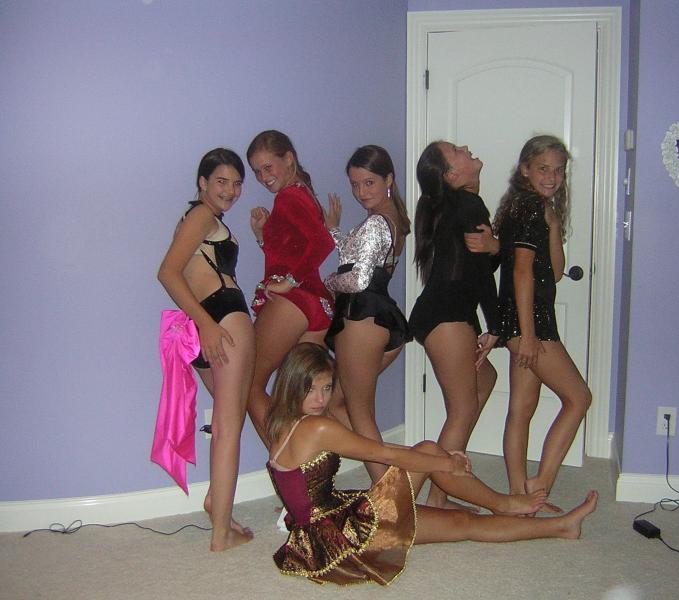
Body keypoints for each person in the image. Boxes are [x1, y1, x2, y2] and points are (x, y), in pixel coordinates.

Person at [265, 343, 598, 586]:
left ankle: (524, 512)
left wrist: (438, 460)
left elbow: (376, 449)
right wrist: (446, 465)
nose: (320, 399)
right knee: (461, 518)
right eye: (311, 389)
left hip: (328, 522)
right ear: (293, 385)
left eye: (326, 388)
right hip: (340, 538)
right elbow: (383, 454)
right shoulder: (316, 427)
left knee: (433, 462)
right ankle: (528, 513)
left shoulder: (283, 421)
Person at [157, 148, 255, 551]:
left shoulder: (201, 219)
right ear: (202, 182)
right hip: (222, 319)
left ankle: (218, 503)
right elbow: (167, 273)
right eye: (221, 181)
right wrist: (208, 324)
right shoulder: (201, 216)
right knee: (229, 427)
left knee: (229, 420)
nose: (230, 190)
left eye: (236, 183)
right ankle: (221, 535)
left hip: (207, 324)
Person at [494, 135, 592, 497]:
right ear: (525, 169)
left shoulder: (535, 207)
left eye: (559, 170)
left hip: (526, 320)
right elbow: (522, 272)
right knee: (579, 398)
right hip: (530, 322)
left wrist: (553, 225)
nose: (552, 177)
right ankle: (539, 486)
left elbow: (556, 270)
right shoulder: (530, 206)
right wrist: (529, 335)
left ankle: (518, 497)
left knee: (521, 408)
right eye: (543, 169)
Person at [407, 141, 502, 510]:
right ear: (451, 174)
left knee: (485, 379)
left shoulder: (455, 205)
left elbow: (476, 264)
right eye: (455, 151)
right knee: (461, 410)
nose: (465, 147)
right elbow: (481, 275)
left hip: (445, 315)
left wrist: (494, 247)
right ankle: (429, 499)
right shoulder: (467, 203)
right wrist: (496, 325)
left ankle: (440, 494)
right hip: (447, 318)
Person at [322, 145, 412, 482]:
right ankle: (393, 480)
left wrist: (329, 282)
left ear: (389, 179)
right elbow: (358, 256)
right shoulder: (392, 218)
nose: (361, 192)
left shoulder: (376, 222)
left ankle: (391, 495)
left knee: (360, 414)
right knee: (336, 404)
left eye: (369, 183)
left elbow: (358, 279)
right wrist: (334, 230)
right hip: (379, 318)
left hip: (362, 318)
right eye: (355, 184)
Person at [246, 130, 335, 447]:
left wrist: (290, 282)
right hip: (316, 305)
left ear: (289, 159)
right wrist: (263, 236)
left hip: (295, 302)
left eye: (268, 167)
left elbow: (323, 243)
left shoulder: (288, 197)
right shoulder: (301, 192)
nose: (263, 177)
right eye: (257, 171)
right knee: (302, 398)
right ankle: (311, 472)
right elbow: (293, 254)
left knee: (247, 383)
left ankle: (286, 465)